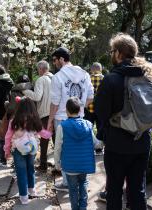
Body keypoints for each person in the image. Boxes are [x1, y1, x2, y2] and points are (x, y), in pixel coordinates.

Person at [94, 33, 152, 210]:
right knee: (138, 190)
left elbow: (100, 111)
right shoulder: (148, 76)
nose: (111, 54)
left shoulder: (112, 79)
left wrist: (104, 134)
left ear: (119, 53)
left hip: (116, 144)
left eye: (112, 51)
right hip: (142, 140)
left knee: (114, 190)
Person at [47, 47, 94, 192]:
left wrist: (49, 121)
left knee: (63, 150)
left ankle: (67, 183)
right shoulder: (85, 74)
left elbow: (55, 102)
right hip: (79, 118)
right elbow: (91, 97)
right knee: (79, 149)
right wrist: (80, 107)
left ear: (61, 59)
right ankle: (81, 182)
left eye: (55, 60)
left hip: (62, 119)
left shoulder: (58, 77)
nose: (54, 63)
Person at [4, 97, 51, 204]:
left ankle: (24, 197)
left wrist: (6, 150)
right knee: (30, 169)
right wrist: (51, 134)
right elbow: (43, 132)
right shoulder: (34, 120)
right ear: (32, 108)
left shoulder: (14, 120)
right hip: (31, 148)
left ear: (19, 108)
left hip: (17, 149)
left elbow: (8, 137)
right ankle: (32, 191)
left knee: (21, 173)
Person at [54, 97, 98, 210]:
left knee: (72, 189)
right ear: (79, 110)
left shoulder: (62, 126)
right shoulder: (88, 125)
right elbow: (95, 143)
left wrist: (57, 163)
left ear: (67, 110)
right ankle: (83, 207)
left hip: (70, 165)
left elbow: (58, 147)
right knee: (83, 184)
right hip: (84, 164)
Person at [23, 60, 53, 172]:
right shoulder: (54, 78)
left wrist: (25, 92)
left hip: (45, 113)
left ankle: (43, 165)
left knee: (44, 140)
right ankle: (59, 166)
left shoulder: (41, 80)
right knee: (57, 140)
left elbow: (37, 96)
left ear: (41, 69)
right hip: (56, 113)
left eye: (38, 69)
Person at [85, 62, 104, 155]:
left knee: (89, 127)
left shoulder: (87, 79)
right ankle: (99, 149)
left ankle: (89, 147)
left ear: (91, 69)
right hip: (101, 108)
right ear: (100, 69)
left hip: (88, 107)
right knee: (100, 127)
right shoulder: (104, 79)